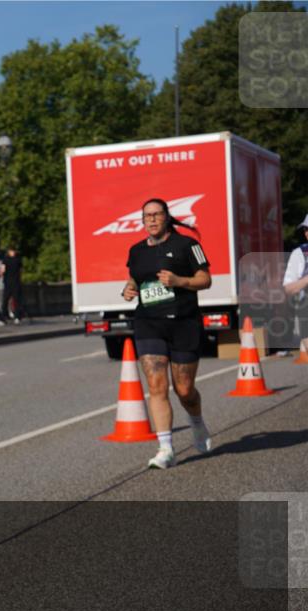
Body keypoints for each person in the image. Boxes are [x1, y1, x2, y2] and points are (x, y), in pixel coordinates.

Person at [121, 197, 213, 469]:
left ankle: (196, 422)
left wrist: (179, 281)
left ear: (167, 217)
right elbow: (134, 278)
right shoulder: (136, 250)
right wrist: (129, 289)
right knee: (156, 386)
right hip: (149, 322)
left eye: (156, 215)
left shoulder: (188, 245)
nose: (151, 220)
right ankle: (166, 449)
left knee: (184, 390)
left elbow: (205, 279)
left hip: (184, 322)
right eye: (146, 215)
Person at [282, 215, 308, 358]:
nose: (307, 232)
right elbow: (287, 288)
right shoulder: (299, 254)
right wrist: (306, 281)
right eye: (305, 229)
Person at [2, 246, 26, 324]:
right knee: (6, 300)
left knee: (16, 300)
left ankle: (17, 316)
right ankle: (5, 316)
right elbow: (3, 270)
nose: (13, 252)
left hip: (14, 282)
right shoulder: (6, 260)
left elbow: (3, 271)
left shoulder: (17, 260)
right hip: (9, 282)